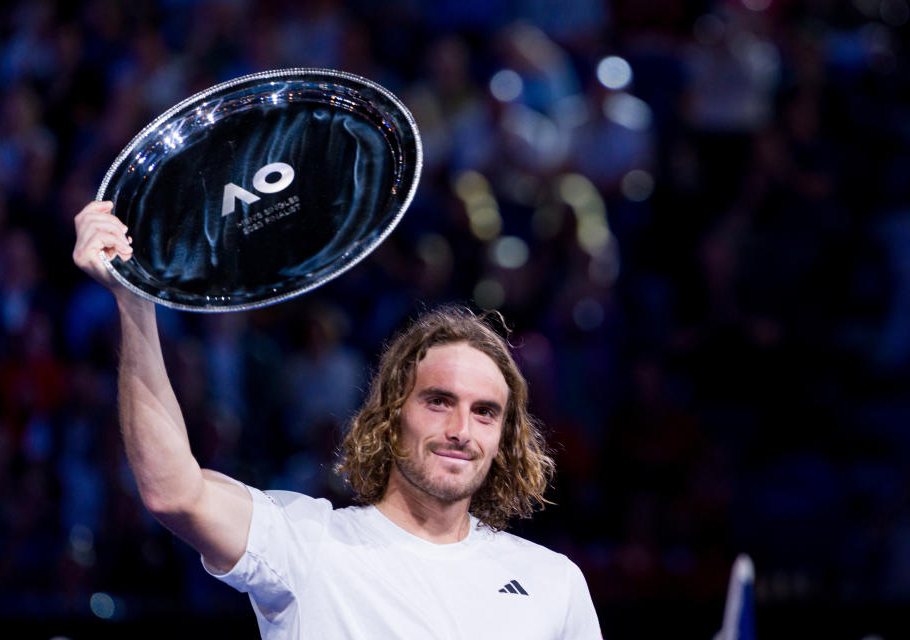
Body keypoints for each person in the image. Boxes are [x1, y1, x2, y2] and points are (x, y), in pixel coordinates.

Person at [72, 200, 603, 639]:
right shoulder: (309, 545)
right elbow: (174, 493)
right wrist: (134, 301)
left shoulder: (553, 583)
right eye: (438, 401)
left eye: (485, 412)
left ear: (506, 438)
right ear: (391, 418)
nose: (462, 431)